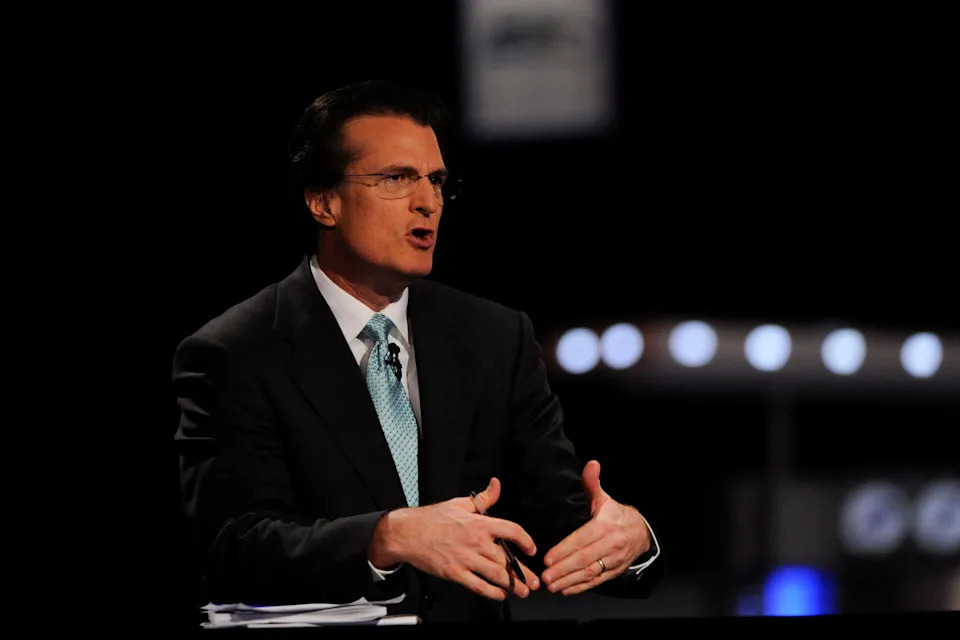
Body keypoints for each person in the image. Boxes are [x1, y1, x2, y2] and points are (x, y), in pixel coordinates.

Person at [173, 78, 662, 623]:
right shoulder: (236, 351)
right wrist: (389, 536)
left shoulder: (494, 337)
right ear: (322, 201)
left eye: (436, 181)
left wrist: (630, 539)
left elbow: (563, 527)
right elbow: (233, 547)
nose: (427, 202)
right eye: (396, 178)